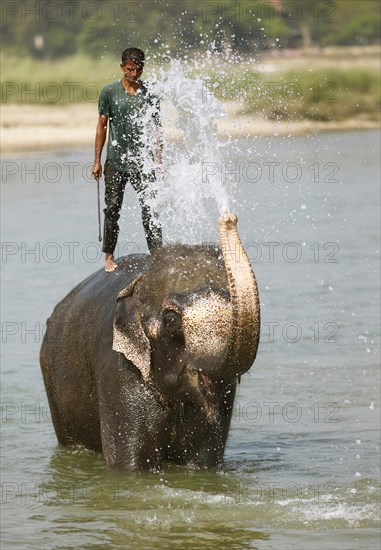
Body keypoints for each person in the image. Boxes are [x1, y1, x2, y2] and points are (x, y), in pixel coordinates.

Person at [92, 47, 163, 272]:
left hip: (144, 162)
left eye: (139, 69)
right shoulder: (110, 92)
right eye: (130, 69)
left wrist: (159, 162)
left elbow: (157, 130)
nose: (134, 74)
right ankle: (109, 256)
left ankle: (158, 254)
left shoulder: (151, 93)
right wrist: (97, 160)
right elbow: (102, 126)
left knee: (150, 209)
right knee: (112, 208)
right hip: (116, 161)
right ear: (122, 67)